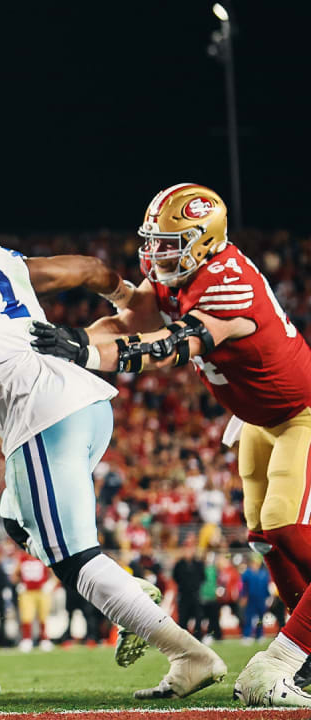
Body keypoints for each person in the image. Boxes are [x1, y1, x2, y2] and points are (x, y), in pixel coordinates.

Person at [0, 216, 225, 700]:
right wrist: (125, 297)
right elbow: (86, 269)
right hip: (90, 401)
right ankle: (128, 592)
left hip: (40, 420)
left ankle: (188, 654)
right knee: (16, 518)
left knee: (74, 558)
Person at [28, 184, 311, 706]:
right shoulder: (184, 275)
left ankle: (288, 657)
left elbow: (172, 347)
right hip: (257, 418)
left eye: (170, 243)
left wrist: (86, 353)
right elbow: (133, 319)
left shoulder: (227, 282)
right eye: (154, 242)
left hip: (301, 413)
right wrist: (78, 340)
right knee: (266, 539)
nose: (156, 254)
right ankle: (307, 651)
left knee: (290, 531)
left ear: (205, 241)